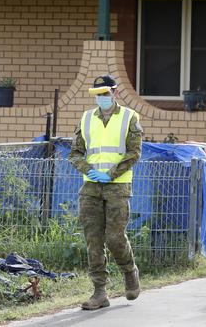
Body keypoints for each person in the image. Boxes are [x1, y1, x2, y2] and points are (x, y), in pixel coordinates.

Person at [68, 75, 143, 310]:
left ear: (115, 93)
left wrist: (110, 174)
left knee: (114, 237)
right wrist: (88, 170)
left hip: (118, 186)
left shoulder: (130, 117)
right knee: (93, 240)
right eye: (97, 95)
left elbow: (134, 152)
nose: (101, 98)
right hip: (90, 187)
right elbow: (75, 153)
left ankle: (130, 272)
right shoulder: (87, 118)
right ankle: (99, 292)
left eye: (105, 94)